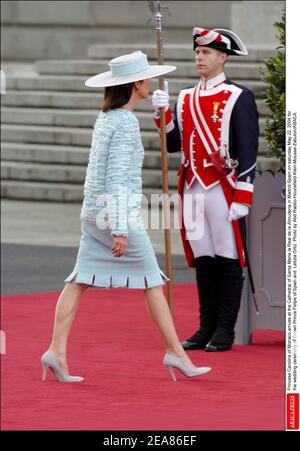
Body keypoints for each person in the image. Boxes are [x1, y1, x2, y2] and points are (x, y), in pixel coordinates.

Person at [40, 51, 212, 383]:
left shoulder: (108, 118)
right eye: (146, 78)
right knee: (151, 279)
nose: (149, 82)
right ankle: (175, 353)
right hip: (114, 215)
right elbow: (117, 177)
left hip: (95, 212)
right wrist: (119, 227)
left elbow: (101, 174)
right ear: (136, 85)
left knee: (79, 281)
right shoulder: (125, 123)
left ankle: (56, 352)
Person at [152, 28, 259, 352]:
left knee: (228, 257)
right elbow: (172, 145)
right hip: (193, 187)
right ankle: (205, 327)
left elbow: (249, 148)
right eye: (198, 52)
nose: (200, 57)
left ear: (223, 57)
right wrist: (163, 114)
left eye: (207, 53)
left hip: (222, 189)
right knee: (203, 257)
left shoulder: (238, 97)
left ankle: (224, 330)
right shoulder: (185, 97)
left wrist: (244, 195)